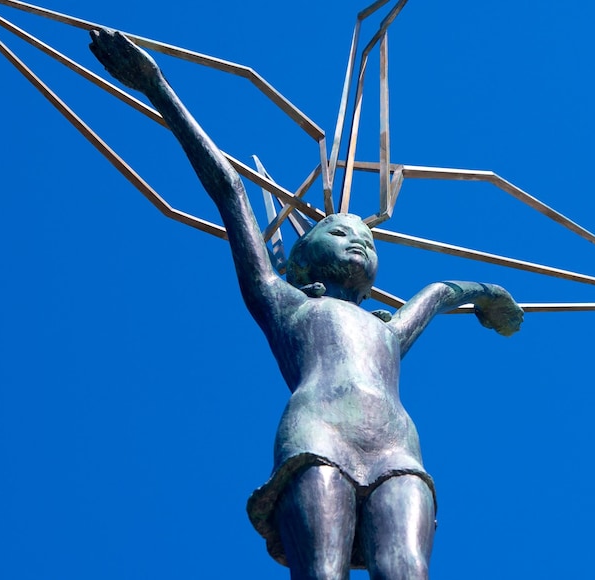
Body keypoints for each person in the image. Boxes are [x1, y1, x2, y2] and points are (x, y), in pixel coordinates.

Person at [89, 28, 523, 580]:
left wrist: (489, 295)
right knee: (321, 571)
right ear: (301, 256)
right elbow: (231, 190)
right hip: (318, 435)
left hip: (397, 448)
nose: (358, 239)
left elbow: (438, 293)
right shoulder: (282, 301)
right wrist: (157, 87)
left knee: (407, 570)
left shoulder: (386, 331)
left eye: (364, 238)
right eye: (338, 231)